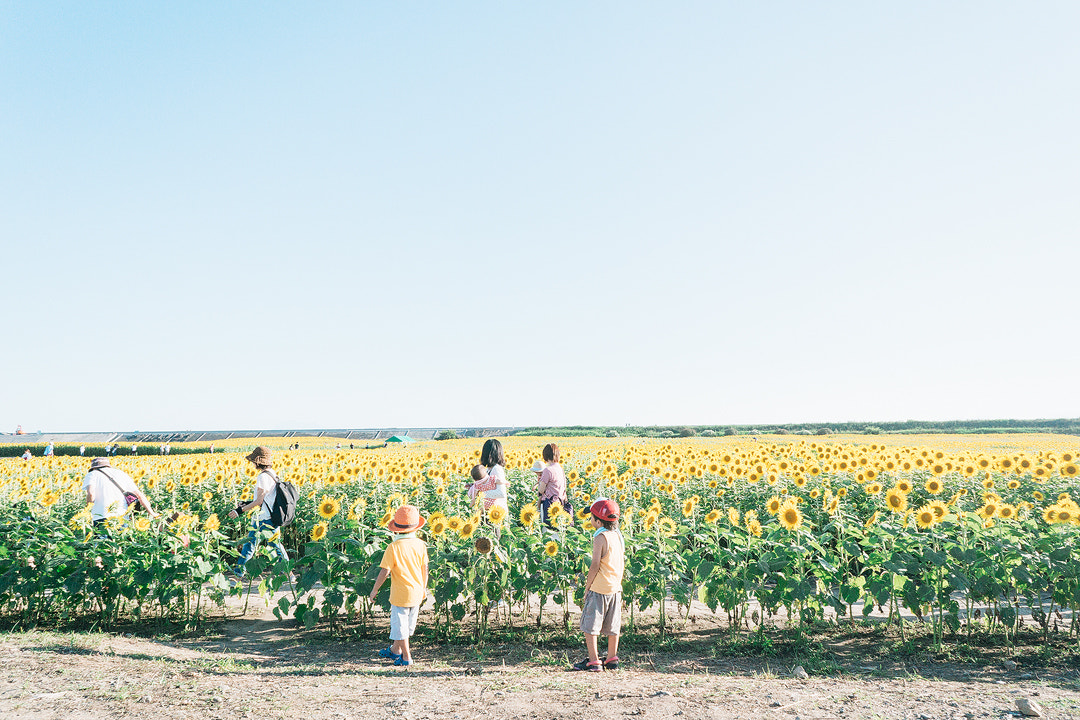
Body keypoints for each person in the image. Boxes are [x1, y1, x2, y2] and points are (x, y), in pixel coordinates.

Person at [368, 505, 428, 667]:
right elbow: (425, 569)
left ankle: (407, 657)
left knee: (400, 626)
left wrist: (374, 590)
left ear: (396, 529)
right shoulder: (421, 545)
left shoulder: (393, 547)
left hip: (400, 594)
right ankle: (396, 650)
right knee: (407, 626)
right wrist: (424, 588)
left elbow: (384, 572)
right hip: (417, 592)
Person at [571, 499, 625, 672]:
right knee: (612, 626)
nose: (591, 520)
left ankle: (594, 660)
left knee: (591, 625)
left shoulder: (600, 538)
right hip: (615, 588)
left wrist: (587, 587)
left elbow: (595, 565)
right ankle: (611, 658)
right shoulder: (617, 536)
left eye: (592, 518)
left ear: (599, 522)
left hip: (599, 588)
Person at [227, 446, 288, 578]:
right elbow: (266, 498)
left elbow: (259, 501)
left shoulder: (262, 477)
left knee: (255, 545)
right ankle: (288, 572)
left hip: (264, 518)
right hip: (271, 516)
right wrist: (248, 503)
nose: (252, 463)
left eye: (253, 461)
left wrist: (239, 510)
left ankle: (238, 574)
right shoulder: (272, 473)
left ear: (258, 461)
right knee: (271, 545)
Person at [83, 457, 159, 526]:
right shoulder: (121, 473)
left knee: (102, 540)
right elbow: (139, 495)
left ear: (93, 467)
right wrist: (152, 513)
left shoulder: (92, 474)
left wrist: (88, 511)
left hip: (101, 516)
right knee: (121, 540)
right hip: (122, 516)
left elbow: (91, 494)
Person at [537, 443, 571, 526]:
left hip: (549, 504)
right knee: (558, 527)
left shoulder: (547, 470)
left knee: (548, 529)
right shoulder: (560, 469)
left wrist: (539, 483)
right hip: (560, 503)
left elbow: (541, 490)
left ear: (545, 455)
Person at [478, 439, 509, 514]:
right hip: (491, 512)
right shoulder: (488, 469)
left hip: (497, 513)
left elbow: (501, 493)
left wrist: (480, 492)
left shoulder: (496, 469)